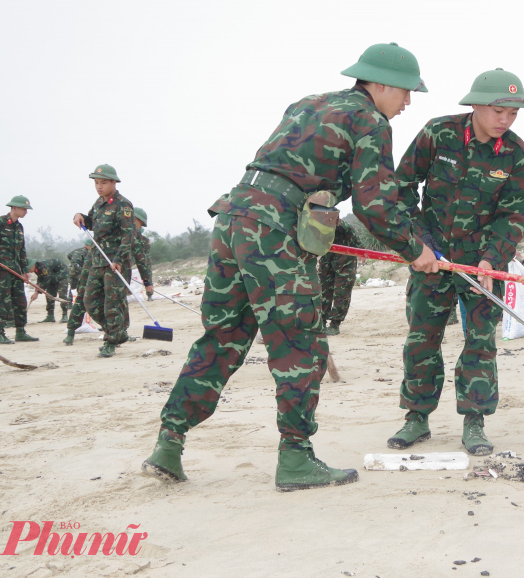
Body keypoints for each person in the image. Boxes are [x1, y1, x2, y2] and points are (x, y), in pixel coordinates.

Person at [143, 42, 439, 492]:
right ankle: (296, 459)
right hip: (276, 228)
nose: (407, 104)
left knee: (222, 336)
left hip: (234, 217)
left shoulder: (307, 103)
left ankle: (169, 442)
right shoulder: (369, 121)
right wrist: (415, 249)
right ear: (379, 84)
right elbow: (374, 202)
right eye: (404, 92)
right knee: (299, 342)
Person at [389, 67, 524, 456]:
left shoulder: (517, 155)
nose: (505, 120)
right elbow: (401, 187)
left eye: (513, 113)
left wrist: (492, 259)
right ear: (475, 105)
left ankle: (474, 421)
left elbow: (514, 215)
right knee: (422, 339)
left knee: (481, 342)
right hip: (430, 259)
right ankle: (416, 418)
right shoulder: (439, 133)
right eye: (497, 111)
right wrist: (419, 243)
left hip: (482, 266)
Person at [70, 165, 136, 358]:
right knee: (89, 301)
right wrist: (81, 216)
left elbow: (128, 235)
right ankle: (117, 332)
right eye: (96, 183)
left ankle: (111, 341)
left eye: (103, 183)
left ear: (114, 182)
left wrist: (119, 259)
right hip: (98, 260)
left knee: (112, 304)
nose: (99, 186)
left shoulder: (123, 204)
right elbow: (92, 224)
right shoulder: (99, 203)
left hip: (115, 261)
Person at [0, 196, 38, 345]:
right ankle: (0, 333)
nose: (26, 211)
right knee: (3, 301)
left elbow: (21, 251)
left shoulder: (19, 227)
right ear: (14, 208)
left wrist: (25, 270)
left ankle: (20, 331)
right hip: (1, 270)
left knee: (20, 301)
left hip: (16, 271)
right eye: (23, 208)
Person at [319, 220, 360, 335]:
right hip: (327, 260)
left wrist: (361, 252)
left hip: (345, 261)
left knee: (341, 293)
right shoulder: (314, 224)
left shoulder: (343, 226)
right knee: (322, 291)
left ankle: (334, 325)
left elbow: (356, 241)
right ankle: (321, 322)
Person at [65, 239, 93, 344]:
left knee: (73, 291)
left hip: (77, 272)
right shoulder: (89, 253)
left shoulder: (78, 251)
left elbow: (69, 255)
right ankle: (70, 333)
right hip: (84, 274)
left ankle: (118, 332)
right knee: (80, 301)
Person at [27, 258, 71, 323]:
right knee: (49, 295)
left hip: (62, 276)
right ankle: (50, 316)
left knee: (62, 295)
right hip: (51, 277)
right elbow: (40, 279)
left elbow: (46, 280)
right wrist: (36, 289)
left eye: (29, 268)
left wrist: (37, 293)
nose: (29, 271)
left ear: (33, 265)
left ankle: (64, 315)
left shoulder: (43, 267)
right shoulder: (37, 269)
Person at [132, 208, 155, 301]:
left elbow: (142, 258)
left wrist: (146, 281)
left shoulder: (143, 240)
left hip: (144, 261)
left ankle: (149, 295)